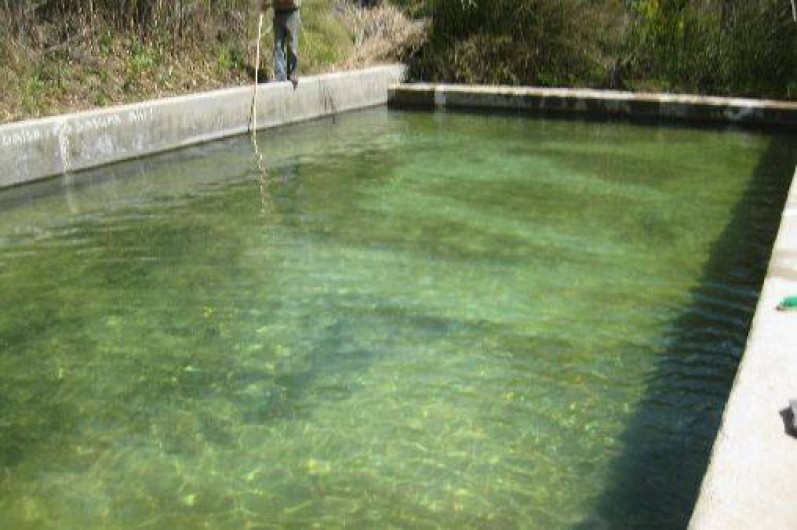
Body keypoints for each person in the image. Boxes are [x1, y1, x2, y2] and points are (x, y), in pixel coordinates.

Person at [263, 0, 301, 88]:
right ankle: (280, 76)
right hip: (278, 14)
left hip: (292, 13)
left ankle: (293, 73)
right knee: (278, 46)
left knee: (292, 46)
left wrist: (271, 3)